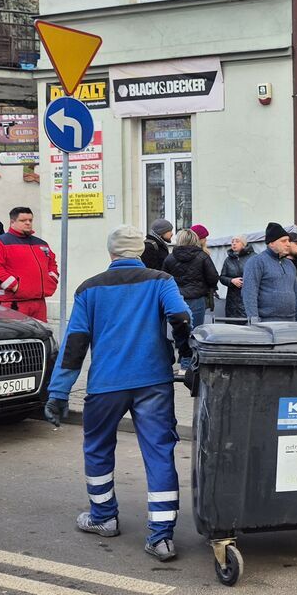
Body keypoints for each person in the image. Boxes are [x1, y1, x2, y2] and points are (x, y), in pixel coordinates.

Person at [42, 225, 192, 562]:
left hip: (106, 385)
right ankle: (161, 537)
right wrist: (185, 354)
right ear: (139, 251)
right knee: (159, 453)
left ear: (111, 252)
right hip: (153, 382)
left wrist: (58, 392)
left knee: (97, 448)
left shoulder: (89, 289)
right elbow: (181, 317)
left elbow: (75, 345)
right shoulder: (160, 281)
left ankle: (103, 517)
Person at [0, 206, 59, 321]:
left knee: (40, 335)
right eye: (23, 221)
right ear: (12, 222)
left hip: (38, 302)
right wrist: (14, 286)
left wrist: (51, 279)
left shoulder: (41, 244)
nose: (28, 223)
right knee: (16, 337)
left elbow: (52, 263)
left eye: (30, 220)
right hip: (13, 303)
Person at [163, 229, 219, 341]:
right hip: (197, 298)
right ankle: (191, 357)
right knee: (196, 332)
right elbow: (213, 278)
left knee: (179, 331)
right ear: (194, 239)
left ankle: (183, 356)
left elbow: (165, 280)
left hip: (176, 298)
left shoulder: (169, 258)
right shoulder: (202, 256)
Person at [243, 222, 297, 321]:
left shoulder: (290, 265)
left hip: (291, 322)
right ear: (271, 243)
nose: (288, 244)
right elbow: (249, 294)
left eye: (288, 241)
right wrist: (254, 321)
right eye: (283, 241)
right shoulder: (256, 262)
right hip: (267, 323)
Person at [218, 235, 253, 320]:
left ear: (244, 244)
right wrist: (231, 281)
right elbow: (222, 277)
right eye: (232, 242)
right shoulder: (228, 260)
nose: (234, 243)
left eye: (237, 241)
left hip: (248, 298)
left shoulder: (254, 257)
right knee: (232, 328)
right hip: (232, 301)